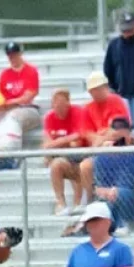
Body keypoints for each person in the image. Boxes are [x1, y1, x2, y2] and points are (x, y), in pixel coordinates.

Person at [89, 118, 134, 228]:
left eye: (121, 138)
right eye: (115, 138)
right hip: (110, 199)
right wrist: (109, 192)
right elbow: (98, 188)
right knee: (102, 205)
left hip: (133, 198)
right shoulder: (101, 158)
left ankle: (124, 226)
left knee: (121, 193)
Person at [43, 88, 87, 216]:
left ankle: (79, 204)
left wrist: (58, 143)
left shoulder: (78, 112)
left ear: (68, 103)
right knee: (56, 164)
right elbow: (46, 145)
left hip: (81, 157)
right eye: (55, 104)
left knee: (76, 160)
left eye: (62, 104)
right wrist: (67, 140)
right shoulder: (49, 118)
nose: (59, 108)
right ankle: (61, 203)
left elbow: (78, 141)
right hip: (63, 157)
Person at [0, 42, 41, 133]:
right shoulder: (5, 74)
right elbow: (0, 98)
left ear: (20, 53)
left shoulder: (30, 71)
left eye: (14, 54)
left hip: (28, 108)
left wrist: (10, 102)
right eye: (10, 55)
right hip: (9, 109)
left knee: (13, 117)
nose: (12, 57)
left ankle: (11, 145)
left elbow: (27, 98)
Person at [81, 72, 130, 147]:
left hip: (116, 145)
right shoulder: (88, 108)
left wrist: (102, 138)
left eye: (97, 89)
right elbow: (87, 133)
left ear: (106, 87)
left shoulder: (116, 101)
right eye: (92, 90)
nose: (95, 93)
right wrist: (99, 138)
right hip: (98, 146)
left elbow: (121, 129)